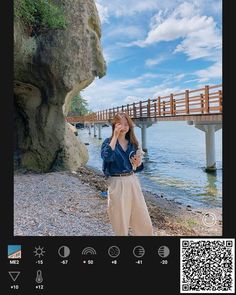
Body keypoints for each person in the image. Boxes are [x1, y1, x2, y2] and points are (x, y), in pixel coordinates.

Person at [101, 112, 153, 236]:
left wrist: (138, 163)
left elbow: (137, 168)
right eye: (120, 124)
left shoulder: (133, 144)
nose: (123, 127)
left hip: (132, 181)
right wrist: (115, 136)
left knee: (143, 220)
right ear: (114, 125)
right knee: (120, 223)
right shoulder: (108, 142)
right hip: (116, 183)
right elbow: (106, 157)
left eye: (126, 124)